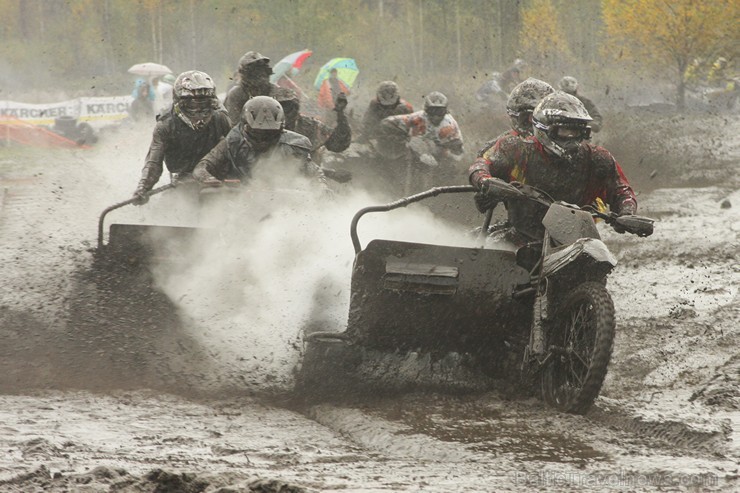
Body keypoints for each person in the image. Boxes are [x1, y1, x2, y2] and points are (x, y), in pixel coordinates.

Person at [469, 91, 636, 238]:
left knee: (597, 257)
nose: (571, 136)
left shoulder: (598, 158)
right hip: (521, 235)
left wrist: (626, 213)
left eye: (576, 131)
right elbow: (481, 165)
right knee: (482, 253)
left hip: (577, 239)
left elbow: (621, 190)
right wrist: (486, 182)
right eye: (565, 130)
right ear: (544, 128)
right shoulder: (515, 148)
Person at [132, 70, 231, 205]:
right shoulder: (165, 125)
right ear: (179, 103)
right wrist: (143, 188)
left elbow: (235, 147)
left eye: (204, 105)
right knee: (170, 205)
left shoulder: (220, 117)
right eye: (193, 105)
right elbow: (154, 163)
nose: (199, 111)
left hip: (217, 177)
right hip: (183, 179)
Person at [192, 96, 327, 189]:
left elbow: (314, 172)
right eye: (257, 133)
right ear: (244, 127)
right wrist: (209, 180)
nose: (263, 140)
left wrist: (321, 187)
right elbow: (202, 166)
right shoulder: (232, 142)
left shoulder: (293, 146)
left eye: (270, 134)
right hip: (235, 202)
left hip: (281, 205)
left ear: (281, 129)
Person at [379, 91, 464, 193]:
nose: (436, 116)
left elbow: (458, 152)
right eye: (433, 111)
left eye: (439, 112)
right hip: (415, 152)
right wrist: (403, 136)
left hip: (441, 156)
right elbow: (387, 122)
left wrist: (442, 150)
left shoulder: (449, 126)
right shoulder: (418, 118)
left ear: (445, 111)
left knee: (448, 172)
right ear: (426, 110)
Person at [477, 78, 554, 158]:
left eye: (542, 114)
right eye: (532, 115)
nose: (536, 120)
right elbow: (484, 159)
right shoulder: (507, 143)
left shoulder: (560, 137)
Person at [273, 87, 351, 164]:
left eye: (288, 107)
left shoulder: (310, 126)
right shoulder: (265, 126)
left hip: (305, 174)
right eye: (280, 107)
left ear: (296, 108)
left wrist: (341, 114)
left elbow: (337, 144)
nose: (285, 112)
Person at [224, 51, 279, 126]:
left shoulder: (274, 91)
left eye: (261, 69)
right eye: (254, 70)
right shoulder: (237, 94)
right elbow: (233, 124)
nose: (259, 74)